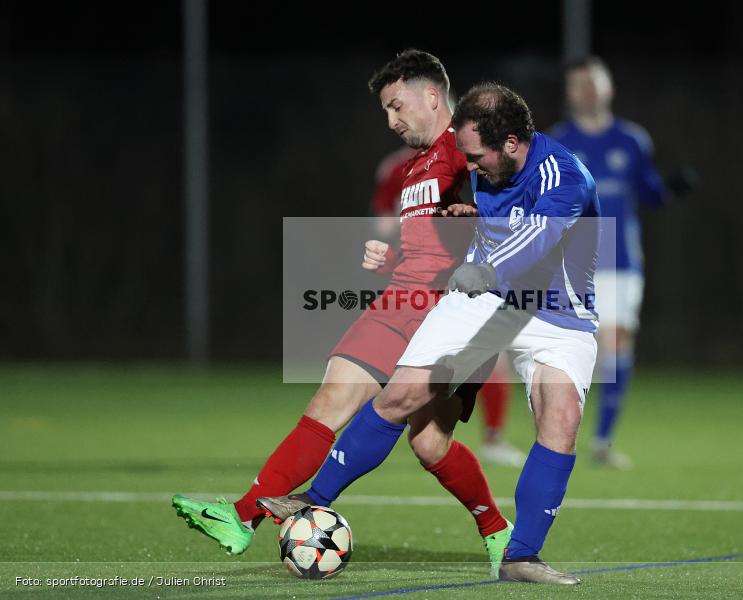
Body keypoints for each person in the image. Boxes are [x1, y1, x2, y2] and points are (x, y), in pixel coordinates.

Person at [171, 50, 512, 577]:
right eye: (385, 111)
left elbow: (513, 220)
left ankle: (496, 530)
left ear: (431, 95)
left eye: (396, 106)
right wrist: (393, 257)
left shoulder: (468, 149)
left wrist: (481, 222)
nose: (391, 120)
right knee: (332, 396)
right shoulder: (412, 170)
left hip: (454, 313)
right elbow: (431, 247)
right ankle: (241, 518)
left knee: (430, 443)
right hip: (399, 302)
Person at [260, 83, 601, 585]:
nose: (471, 168)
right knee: (402, 394)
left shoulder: (565, 177)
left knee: (561, 418)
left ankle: (521, 557)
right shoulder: (489, 163)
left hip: (556, 313)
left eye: (477, 156)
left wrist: (485, 267)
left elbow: (534, 240)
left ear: (511, 143)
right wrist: (469, 223)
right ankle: (312, 499)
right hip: (482, 298)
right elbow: (501, 218)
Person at [550, 56, 693, 468]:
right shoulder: (558, 142)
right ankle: (559, 435)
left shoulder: (631, 140)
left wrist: (671, 189)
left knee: (616, 346)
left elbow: (649, 193)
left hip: (621, 259)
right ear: (570, 93)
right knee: (576, 353)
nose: (588, 90)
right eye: (579, 84)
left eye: (595, 82)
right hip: (574, 260)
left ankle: (602, 441)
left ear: (608, 87)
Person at [370, 146, 525, 467]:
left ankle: (371, 432)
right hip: (441, 276)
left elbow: (384, 226)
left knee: (403, 359)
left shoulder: (403, 165)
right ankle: (488, 438)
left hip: (454, 275)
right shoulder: (469, 158)